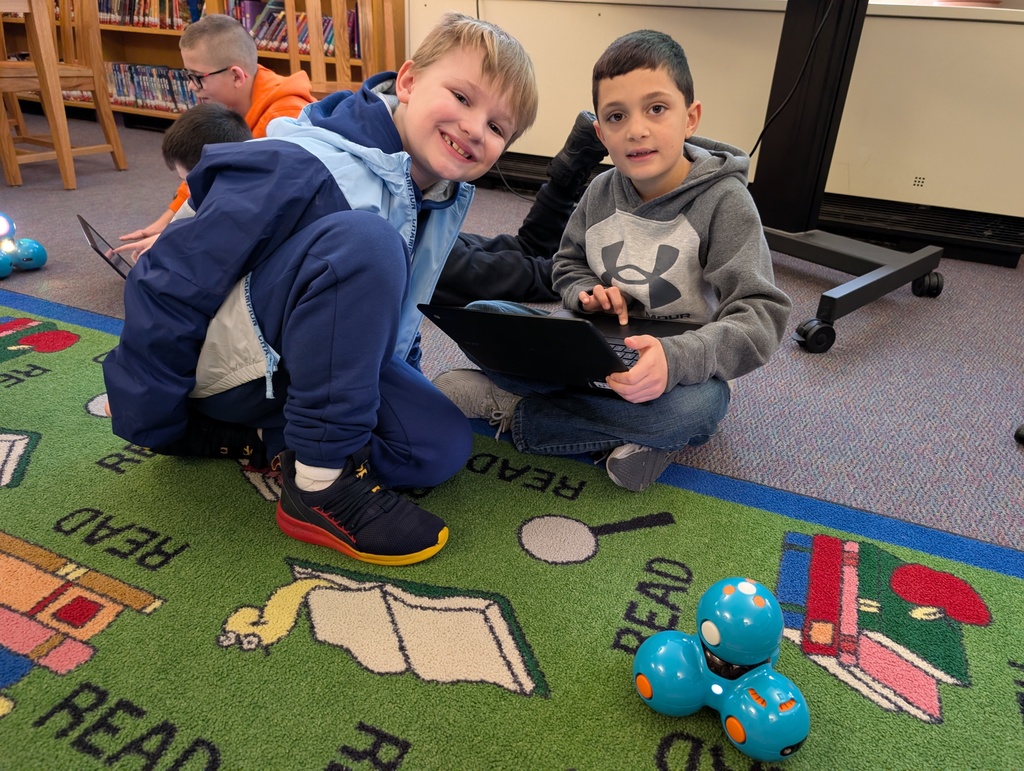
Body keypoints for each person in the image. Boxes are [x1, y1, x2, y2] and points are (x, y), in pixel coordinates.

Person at [102, 12, 540, 566]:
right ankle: (318, 487)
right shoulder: (302, 162)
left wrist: (400, 376)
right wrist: (157, 418)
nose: (477, 128)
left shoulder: (438, 192)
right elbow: (169, 277)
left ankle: (273, 440)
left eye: (499, 127)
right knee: (367, 242)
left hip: (303, 361)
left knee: (438, 447)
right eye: (461, 96)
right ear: (406, 82)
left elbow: (396, 311)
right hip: (229, 365)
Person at [432, 29, 792, 493]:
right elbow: (566, 263)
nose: (637, 129)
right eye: (617, 117)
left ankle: (519, 411)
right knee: (486, 317)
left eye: (657, 109)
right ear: (601, 133)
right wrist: (583, 293)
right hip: (590, 348)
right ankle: (628, 434)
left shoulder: (725, 202)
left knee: (703, 408)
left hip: (671, 369)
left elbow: (762, 314)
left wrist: (677, 359)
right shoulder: (601, 191)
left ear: (691, 118)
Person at [116, 14, 316, 258]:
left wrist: (174, 237)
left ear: (236, 76)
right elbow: (201, 173)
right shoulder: (227, 102)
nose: (191, 86)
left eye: (197, 77)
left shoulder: (284, 122)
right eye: (188, 76)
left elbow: (251, 213)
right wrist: (165, 223)